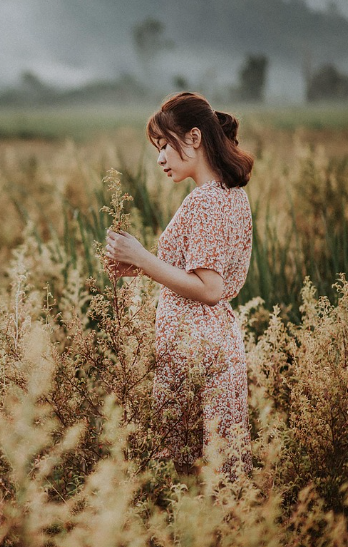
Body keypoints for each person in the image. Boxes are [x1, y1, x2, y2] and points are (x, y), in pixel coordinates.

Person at [105, 92, 254, 476]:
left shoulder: (205, 201)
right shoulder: (230, 195)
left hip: (197, 354)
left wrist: (142, 257)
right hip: (216, 347)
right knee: (221, 479)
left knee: (184, 480)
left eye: (164, 145)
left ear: (194, 138)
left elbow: (208, 289)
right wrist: (139, 267)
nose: (159, 159)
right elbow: (199, 273)